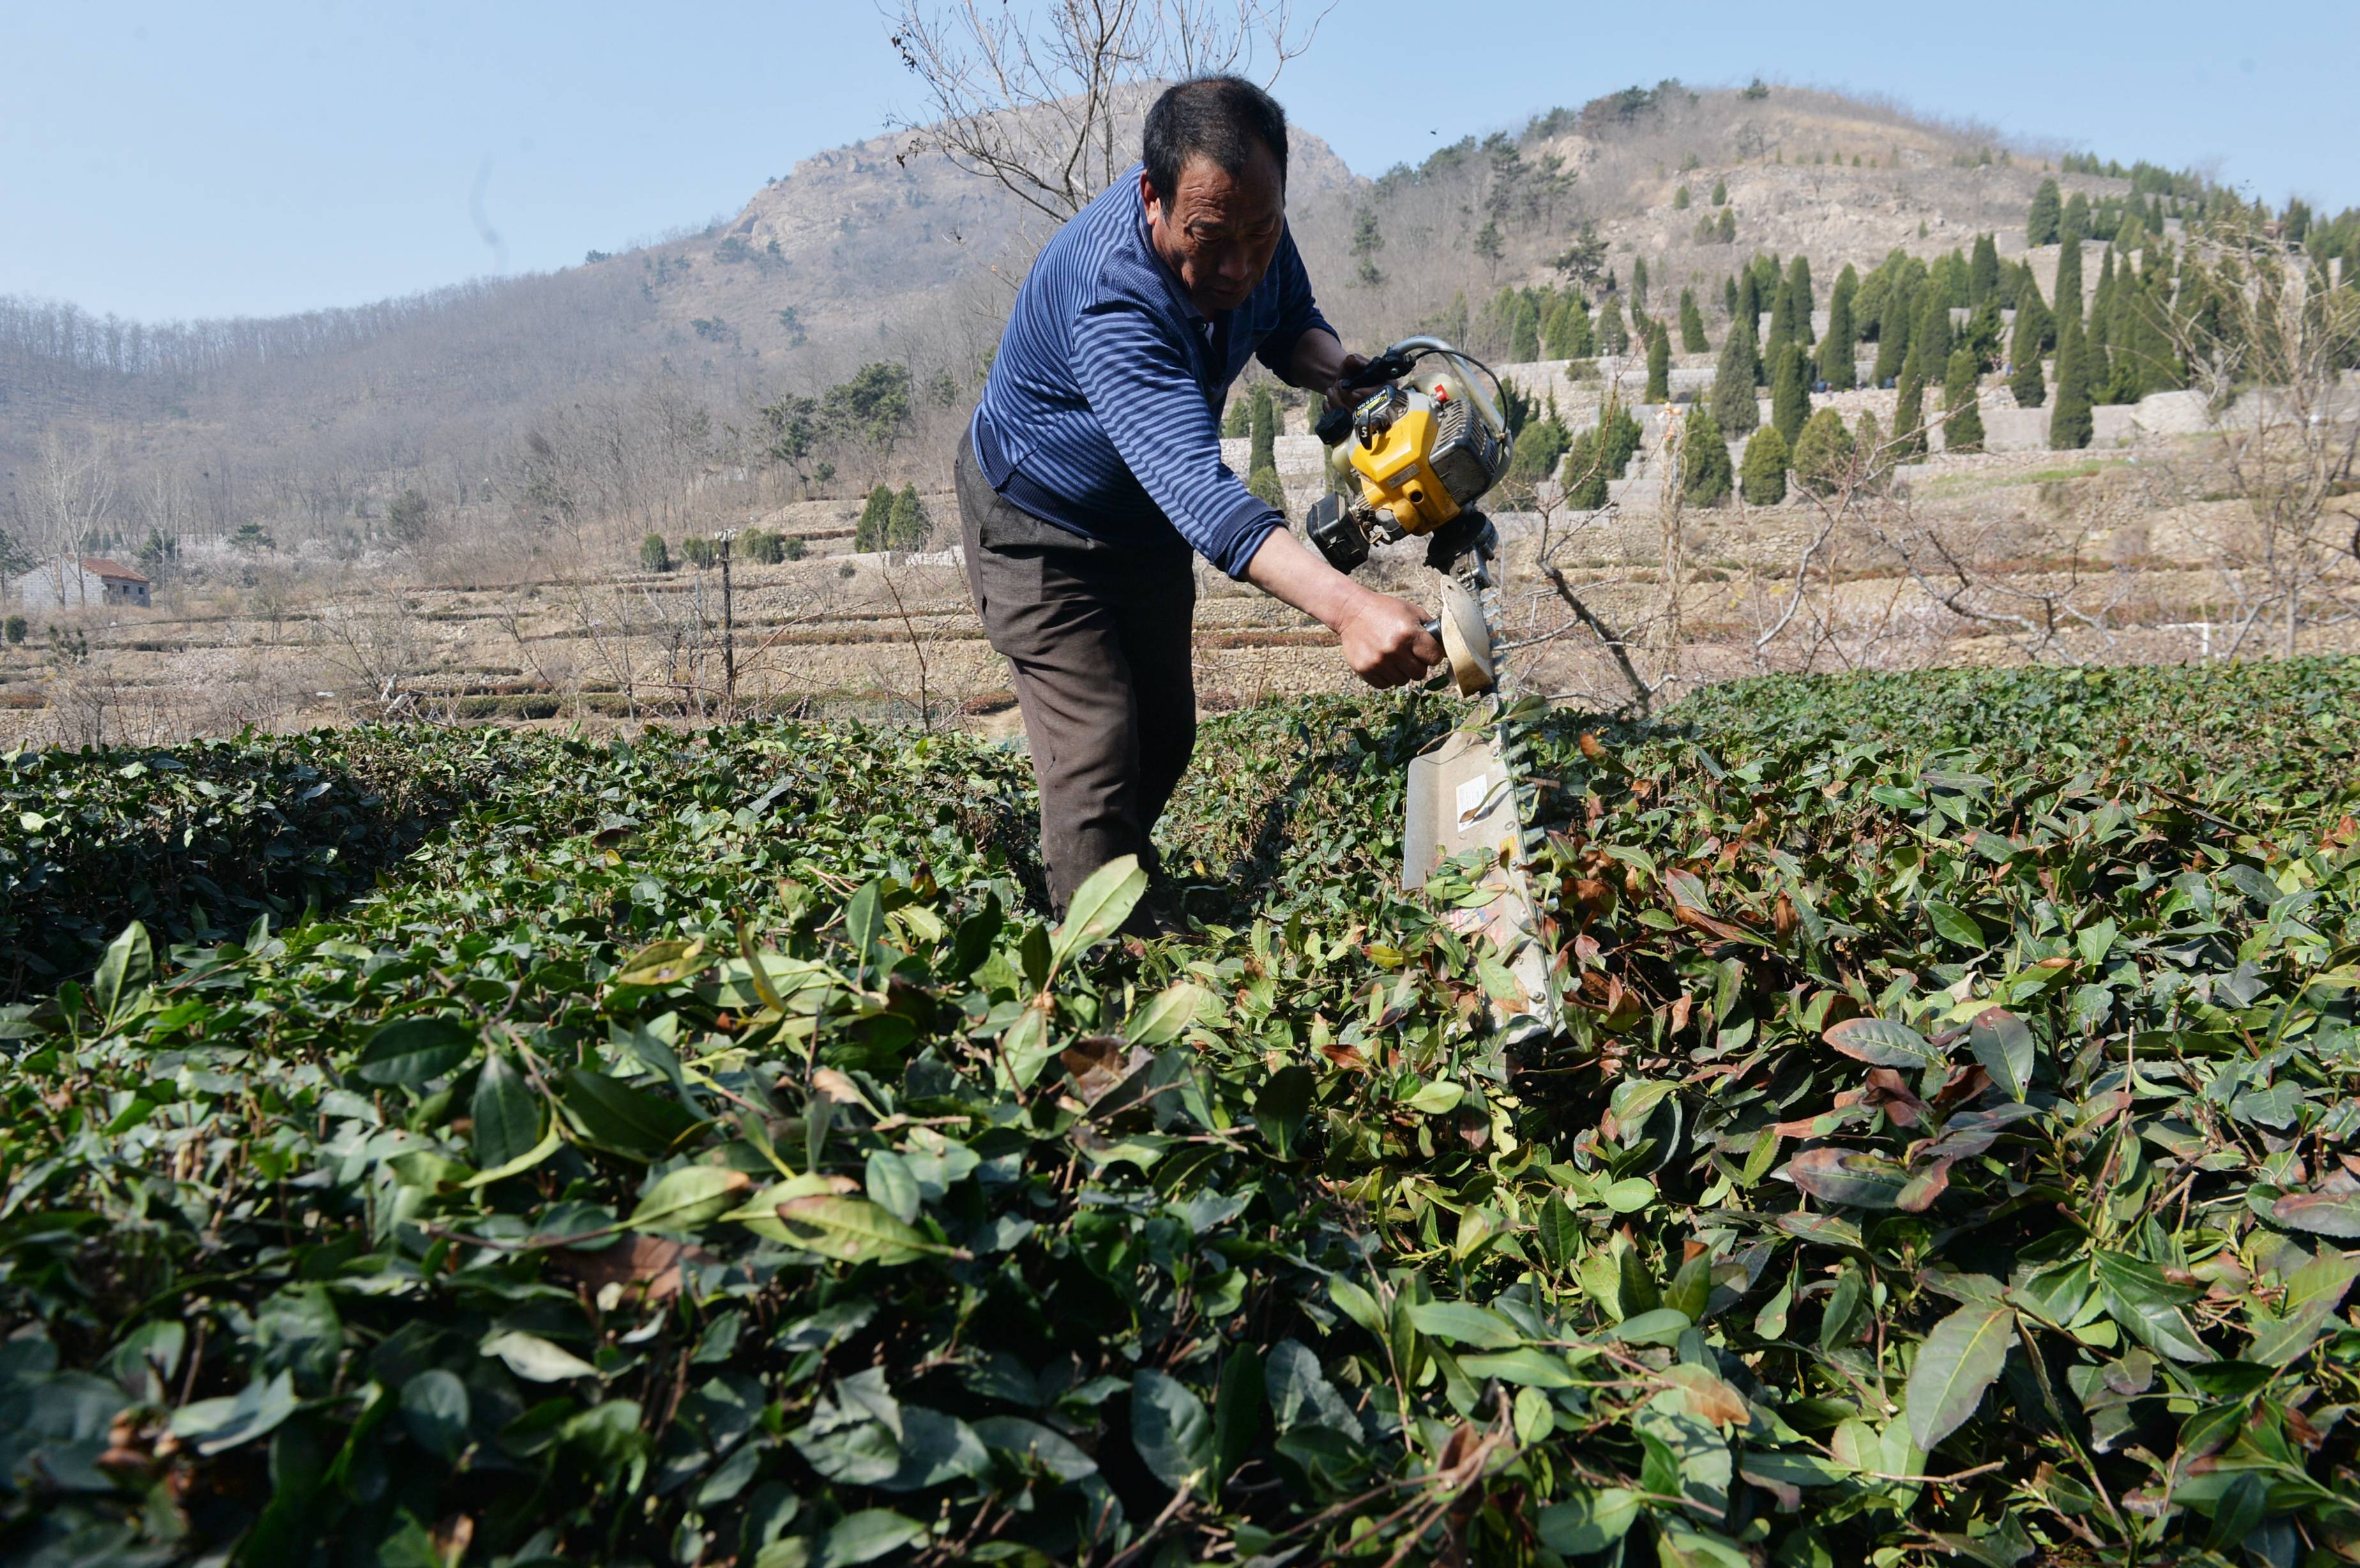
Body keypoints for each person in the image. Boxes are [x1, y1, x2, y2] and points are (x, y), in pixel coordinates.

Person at [958, 75, 1442, 926]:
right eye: (1210, 240)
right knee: (1098, 751)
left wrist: (1341, 376)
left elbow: (1288, 319)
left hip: (1138, 525)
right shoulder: (1115, 295)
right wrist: (1348, 610)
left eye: (1260, 234)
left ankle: (1106, 876)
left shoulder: (1246, 221)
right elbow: (1206, 497)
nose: (1237, 266)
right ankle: (1098, 970)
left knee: (1166, 733)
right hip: (1039, 529)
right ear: (1153, 196)